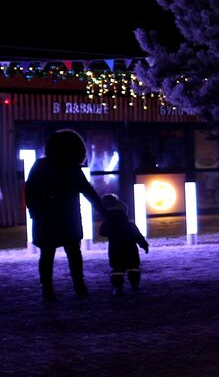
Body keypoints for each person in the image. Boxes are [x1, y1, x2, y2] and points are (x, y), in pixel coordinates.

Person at [24, 129, 105, 303]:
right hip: (68, 217)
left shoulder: (40, 166)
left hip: (45, 218)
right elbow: (88, 191)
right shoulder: (72, 169)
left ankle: (47, 290)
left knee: (46, 255)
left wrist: (34, 212)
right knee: (74, 253)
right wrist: (104, 211)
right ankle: (79, 285)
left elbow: (29, 191)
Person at [99, 194, 150, 293]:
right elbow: (138, 236)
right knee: (133, 267)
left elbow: (102, 232)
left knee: (117, 269)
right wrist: (144, 245)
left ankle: (118, 288)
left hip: (115, 249)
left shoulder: (109, 222)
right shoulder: (129, 224)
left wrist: (112, 233)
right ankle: (135, 285)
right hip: (130, 249)